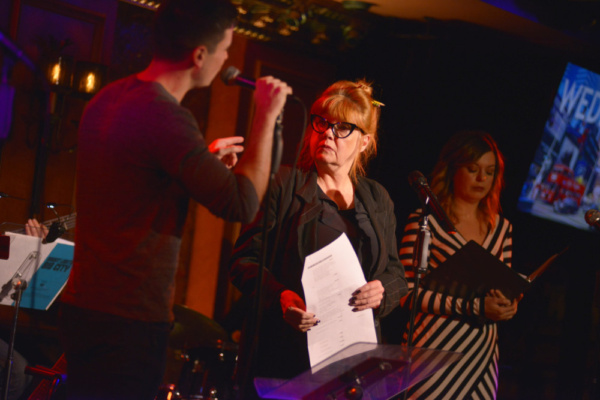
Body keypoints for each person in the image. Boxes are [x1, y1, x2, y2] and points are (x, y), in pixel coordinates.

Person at [56, 0, 292, 398]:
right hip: (130, 322)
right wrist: (265, 117)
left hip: (84, 309)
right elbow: (242, 203)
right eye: (224, 50)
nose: (225, 61)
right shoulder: (167, 117)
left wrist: (201, 162)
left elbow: (133, 185)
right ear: (199, 55)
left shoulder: (109, 99)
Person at [229, 79, 408, 394]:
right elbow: (244, 260)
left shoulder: (377, 198)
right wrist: (280, 297)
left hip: (351, 364)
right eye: (322, 122)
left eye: (342, 128)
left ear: (364, 142)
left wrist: (383, 291)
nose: (327, 133)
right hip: (287, 356)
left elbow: (394, 272)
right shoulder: (285, 184)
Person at [395, 130, 519, 399]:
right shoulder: (425, 221)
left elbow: (502, 287)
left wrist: (508, 304)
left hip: (482, 356)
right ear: (452, 169)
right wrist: (473, 306)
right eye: (473, 169)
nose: (481, 178)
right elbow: (405, 292)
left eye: (489, 171)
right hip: (433, 352)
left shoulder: (502, 228)